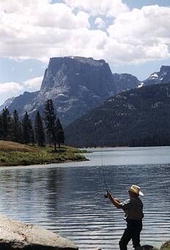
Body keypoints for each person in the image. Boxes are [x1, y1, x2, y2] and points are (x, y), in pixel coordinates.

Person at [105, 185, 144, 250]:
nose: (128, 191)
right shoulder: (138, 201)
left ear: (131, 193)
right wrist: (117, 201)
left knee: (122, 243)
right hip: (139, 224)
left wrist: (110, 198)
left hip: (132, 225)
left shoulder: (130, 201)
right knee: (136, 244)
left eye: (130, 191)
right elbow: (127, 209)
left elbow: (118, 206)